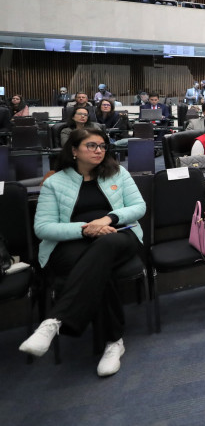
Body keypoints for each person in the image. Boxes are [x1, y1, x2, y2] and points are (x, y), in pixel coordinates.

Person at [20, 128, 145, 376]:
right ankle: (113, 342)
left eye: (102, 146)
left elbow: (139, 207)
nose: (99, 150)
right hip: (73, 242)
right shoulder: (54, 183)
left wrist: (108, 219)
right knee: (99, 266)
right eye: (91, 146)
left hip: (120, 234)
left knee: (104, 247)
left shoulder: (118, 173)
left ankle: (55, 319)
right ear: (74, 150)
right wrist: (86, 230)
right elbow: (43, 228)